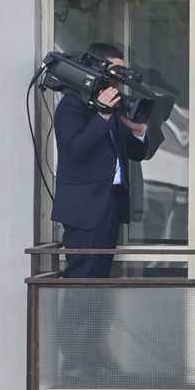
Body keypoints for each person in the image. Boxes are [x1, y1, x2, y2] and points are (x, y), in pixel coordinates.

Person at [52, 42, 149, 278]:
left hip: (111, 202)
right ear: (97, 68)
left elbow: (136, 153)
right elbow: (75, 150)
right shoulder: (72, 104)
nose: (118, 78)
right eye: (114, 71)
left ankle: (95, 317)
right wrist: (103, 114)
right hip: (85, 207)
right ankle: (73, 318)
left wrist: (139, 131)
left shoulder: (113, 106)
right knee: (82, 276)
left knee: (101, 277)